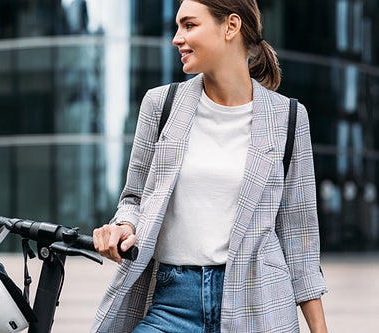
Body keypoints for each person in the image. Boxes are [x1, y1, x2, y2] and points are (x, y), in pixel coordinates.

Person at [92, 0, 328, 332]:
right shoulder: (161, 105)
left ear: (231, 26)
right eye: (178, 26)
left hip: (259, 305)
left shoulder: (288, 118)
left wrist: (320, 329)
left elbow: (299, 237)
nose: (176, 38)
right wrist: (124, 228)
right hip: (172, 302)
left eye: (189, 25)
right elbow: (134, 200)